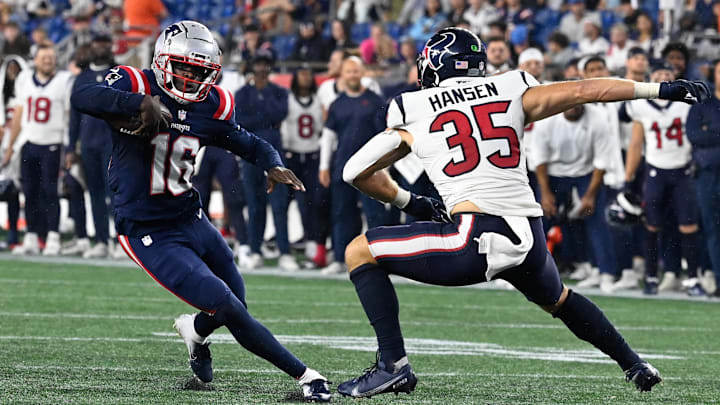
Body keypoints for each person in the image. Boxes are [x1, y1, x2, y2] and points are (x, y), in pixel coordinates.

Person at [336, 26, 708, 398]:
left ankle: (392, 366)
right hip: (528, 236)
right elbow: (585, 90)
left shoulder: (412, 107)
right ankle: (635, 364)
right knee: (559, 300)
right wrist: (660, 89)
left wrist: (410, 202)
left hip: (474, 237)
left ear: (435, 64)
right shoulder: (511, 86)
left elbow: (354, 172)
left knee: (359, 251)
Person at [70, 21, 330, 402]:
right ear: (161, 60)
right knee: (226, 304)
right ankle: (306, 376)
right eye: (184, 67)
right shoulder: (135, 83)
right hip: (146, 228)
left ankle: (195, 330)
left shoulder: (214, 104)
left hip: (191, 217)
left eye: (200, 71)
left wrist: (271, 163)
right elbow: (83, 95)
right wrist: (136, 104)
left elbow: (250, 143)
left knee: (235, 302)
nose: (191, 78)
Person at [623, 62, 705, 296]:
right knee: (651, 225)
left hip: (683, 170)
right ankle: (650, 276)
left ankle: (692, 279)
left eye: (667, 74)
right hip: (655, 171)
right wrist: (628, 178)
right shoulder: (640, 106)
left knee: (689, 226)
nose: (663, 77)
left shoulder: (688, 102)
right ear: (651, 78)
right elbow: (636, 144)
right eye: (658, 74)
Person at [533, 100, 618, 293]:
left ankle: (605, 273)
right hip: (553, 173)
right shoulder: (547, 118)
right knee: (538, 221)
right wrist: (545, 193)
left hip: (586, 173)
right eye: (569, 104)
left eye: (577, 104)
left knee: (597, 221)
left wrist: (590, 195)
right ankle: (523, 270)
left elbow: (602, 161)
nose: (573, 107)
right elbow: (539, 159)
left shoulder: (598, 118)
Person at [318, 56, 394, 275]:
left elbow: (386, 136)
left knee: (375, 214)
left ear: (362, 73)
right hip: (342, 166)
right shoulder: (337, 103)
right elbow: (329, 136)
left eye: (356, 71)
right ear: (342, 74)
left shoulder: (374, 100)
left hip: (370, 169)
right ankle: (341, 258)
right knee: (342, 212)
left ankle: (379, 258)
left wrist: (384, 167)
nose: (352, 75)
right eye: (348, 71)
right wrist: (324, 166)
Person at [2, 44, 74, 256]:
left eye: (51, 57)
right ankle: (31, 235)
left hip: (52, 143)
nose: (47, 61)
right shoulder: (24, 80)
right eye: (44, 57)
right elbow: (18, 114)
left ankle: (53, 236)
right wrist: (11, 146)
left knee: (50, 191)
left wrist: (69, 146)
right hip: (29, 142)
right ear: (35, 59)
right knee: (30, 192)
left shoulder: (64, 80)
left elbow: (69, 116)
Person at [236, 49, 299, 271]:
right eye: (258, 64)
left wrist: (259, 118)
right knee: (254, 205)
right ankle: (255, 250)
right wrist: (264, 120)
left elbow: (278, 114)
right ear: (253, 67)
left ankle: (284, 252)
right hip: (252, 154)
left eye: (265, 64)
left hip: (274, 155)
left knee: (279, 204)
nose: (262, 69)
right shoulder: (242, 93)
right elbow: (241, 120)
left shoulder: (279, 92)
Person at [66, 32, 117, 258]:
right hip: (89, 144)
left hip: (113, 143)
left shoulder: (120, 74)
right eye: (97, 42)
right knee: (95, 193)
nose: (101, 47)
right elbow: (74, 118)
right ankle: (102, 240)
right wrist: (70, 148)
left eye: (105, 43)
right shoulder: (82, 78)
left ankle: (121, 241)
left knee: (116, 193)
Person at [280, 66, 330, 267]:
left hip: (312, 155)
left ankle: (312, 243)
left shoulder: (318, 101)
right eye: (302, 75)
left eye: (309, 75)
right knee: (283, 203)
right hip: (291, 156)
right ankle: (285, 250)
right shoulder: (288, 100)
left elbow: (322, 128)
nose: (306, 79)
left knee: (312, 203)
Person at [687, 59, 720, 297]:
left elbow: (705, 135)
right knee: (712, 227)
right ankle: (717, 278)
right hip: (708, 173)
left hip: (709, 166)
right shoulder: (702, 105)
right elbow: (695, 136)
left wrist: (713, 131)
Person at [0, 55, 28, 250]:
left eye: (16, 68)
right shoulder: (3, 95)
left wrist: (11, 146)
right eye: (9, 68)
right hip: (3, 144)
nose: (12, 71)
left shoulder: (27, 94)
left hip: (19, 145)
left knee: (13, 190)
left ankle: (13, 235)